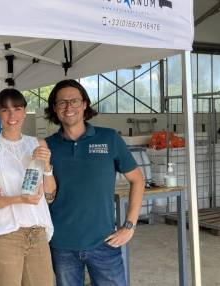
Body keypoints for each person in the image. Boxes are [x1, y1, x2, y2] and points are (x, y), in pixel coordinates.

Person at [44, 79, 145, 286]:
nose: (68, 107)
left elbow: (137, 179)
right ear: (55, 109)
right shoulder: (47, 146)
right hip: (62, 245)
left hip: (104, 243)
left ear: (84, 104)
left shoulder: (109, 138)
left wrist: (129, 225)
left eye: (74, 101)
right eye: (62, 103)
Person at [0, 88, 57, 286]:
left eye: (17, 109)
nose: (12, 116)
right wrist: (18, 199)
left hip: (38, 233)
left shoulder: (38, 143)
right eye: (5, 110)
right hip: (5, 235)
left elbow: (50, 195)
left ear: (25, 111)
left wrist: (47, 167)